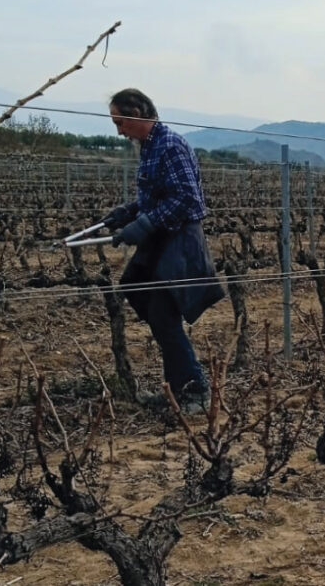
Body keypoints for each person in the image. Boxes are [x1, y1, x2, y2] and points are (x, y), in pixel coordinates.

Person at [102, 88, 224, 411]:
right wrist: (128, 213)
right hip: (163, 241)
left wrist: (144, 224)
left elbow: (187, 200)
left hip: (179, 243)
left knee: (164, 317)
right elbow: (156, 197)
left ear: (138, 113)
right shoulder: (150, 146)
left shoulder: (170, 145)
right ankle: (178, 391)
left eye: (120, 122)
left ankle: (195, 391)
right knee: (159, 316)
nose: (118, 131)